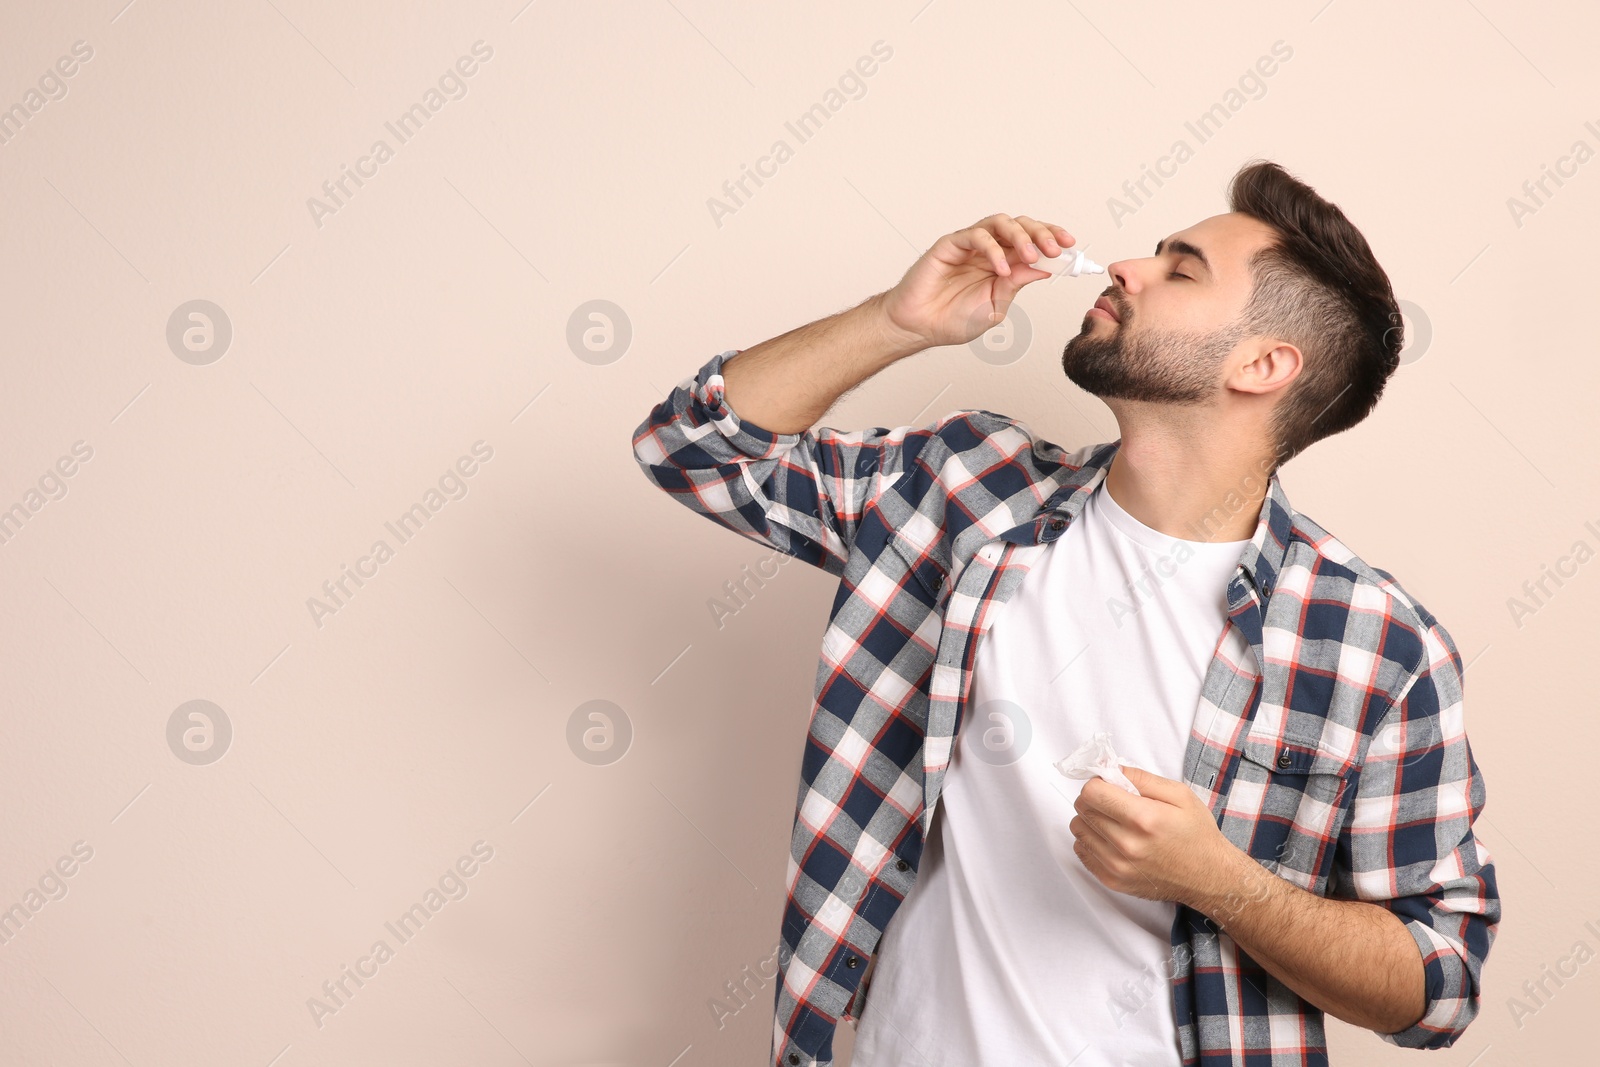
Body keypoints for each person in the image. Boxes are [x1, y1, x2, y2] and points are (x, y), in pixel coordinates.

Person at [631, 159, 1499, 1067]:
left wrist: (1224, 884)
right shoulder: (962, 490)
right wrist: (895, 321)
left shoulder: (1376, 645)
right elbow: (693, 449)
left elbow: (1438, 986)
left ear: (1264, 364)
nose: (1128, 266)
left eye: (1182, 268)